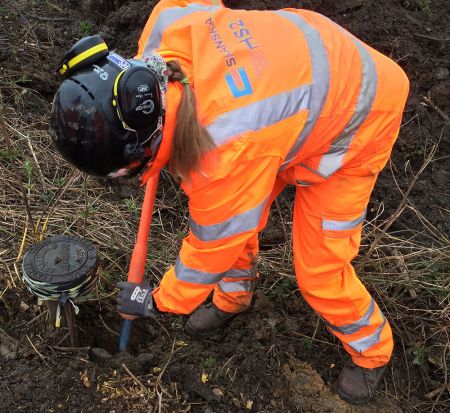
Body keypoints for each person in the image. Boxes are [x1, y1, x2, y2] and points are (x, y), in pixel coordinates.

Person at [49, 0, 409, 404]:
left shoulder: (222, 156)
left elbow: (212, 246)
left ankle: (372, 350)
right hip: (295, 90)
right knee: (238, 214)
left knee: (319, 270)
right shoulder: (161, 34)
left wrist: (155, 300)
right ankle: (234, 298)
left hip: (359, 109)